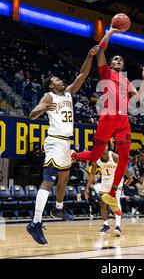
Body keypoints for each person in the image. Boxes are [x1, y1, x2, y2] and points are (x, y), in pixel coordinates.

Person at [72, 26, 144, 215]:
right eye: (115, 58)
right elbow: (101, 51)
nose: (117, 60)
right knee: (94, 156)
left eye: (120, 59)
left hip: (123, 120)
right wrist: (110, 32)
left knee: (124, 158)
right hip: (108, 117)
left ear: (123, 65)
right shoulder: (106, 73)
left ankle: (112, 191)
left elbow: (139, 99)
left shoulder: (126, 81)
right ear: (111, 63)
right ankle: (74, 155)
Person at [26, 45, 98, 245]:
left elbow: (83, 74)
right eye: (56, 79)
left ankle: (58, 208)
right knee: (48, 181)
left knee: (64, 177)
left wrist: (89, 55)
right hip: (55, 142)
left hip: (66, 144)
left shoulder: (67, 94)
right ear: (51, 85)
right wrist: (41, 109)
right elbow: (33, 113)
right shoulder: (49, 97)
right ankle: (35, 223)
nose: (60, 80)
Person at [85, 146, 132, 237]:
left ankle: (118, 226)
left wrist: (130, 177)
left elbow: (123, 167)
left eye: (105, 145)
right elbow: (92, 174)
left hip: (116, 180)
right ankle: (106, 225)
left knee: (116, 200)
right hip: (105, 181)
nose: (104, 147)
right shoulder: (96, 158)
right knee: (102, 203)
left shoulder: (114, 156)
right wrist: (87, 188)